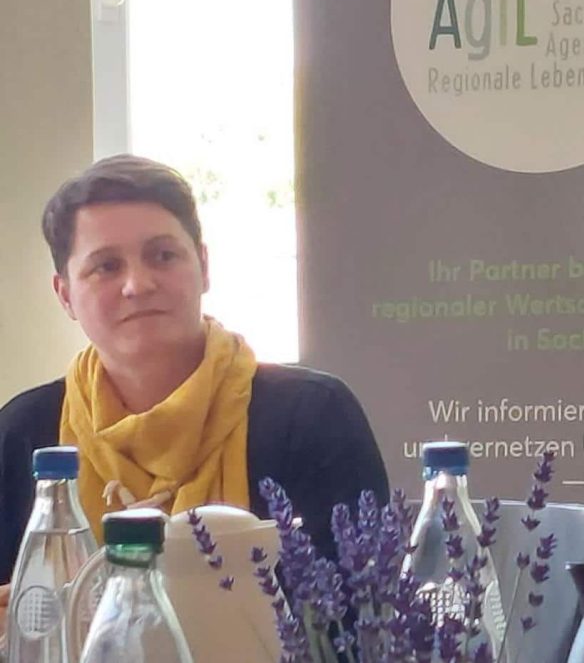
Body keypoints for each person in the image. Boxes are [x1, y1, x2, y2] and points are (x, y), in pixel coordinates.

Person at [0, 155, 389, 626]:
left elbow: (361, 623)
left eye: (163, 255)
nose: (137, 285)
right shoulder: (25, 431)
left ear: (203, 267)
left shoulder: (312, 416)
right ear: (64, 295)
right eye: (105, 266)